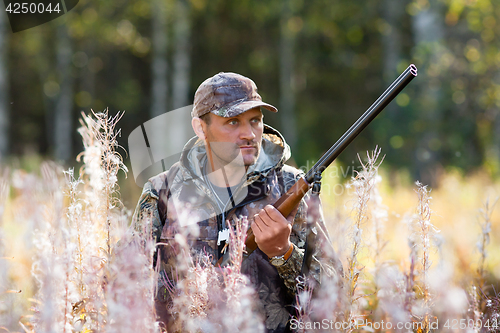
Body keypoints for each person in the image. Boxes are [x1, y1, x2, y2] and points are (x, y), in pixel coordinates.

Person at [132, 72, 339, 332]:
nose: (249, 134)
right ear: (200, 127)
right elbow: (127, 282)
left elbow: (334, 293)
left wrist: (284, 253)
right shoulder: (162, 192)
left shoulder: (291, 187)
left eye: (255, 121)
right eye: (232, 122)